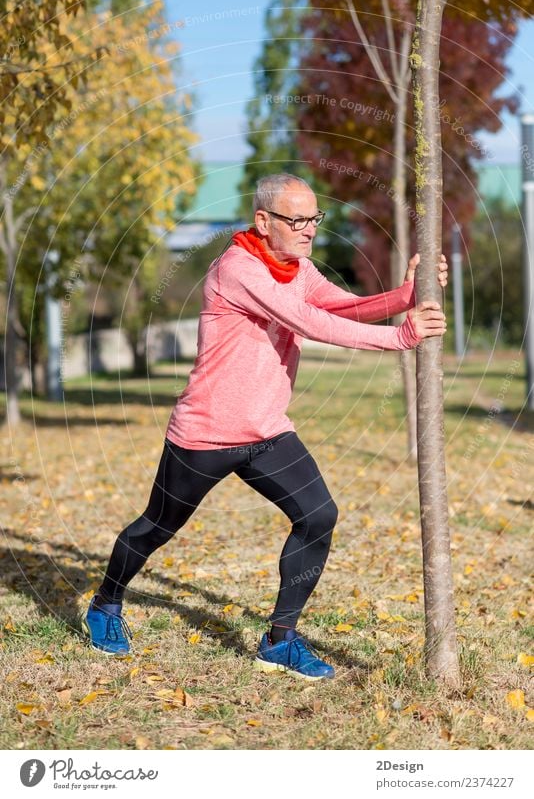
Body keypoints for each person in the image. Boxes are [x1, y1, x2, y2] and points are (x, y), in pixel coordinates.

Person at [83, 173, 447, 680]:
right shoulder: (237, 270)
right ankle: (105, 603)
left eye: (314, 219)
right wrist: (400, 338)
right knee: (156, 527)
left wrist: (406, 294)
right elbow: (309, 324)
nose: (309, 230)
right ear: (263, 221)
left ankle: (280, 640)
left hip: (268, 432)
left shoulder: (297, 268)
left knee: (319, 516)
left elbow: (339, 306)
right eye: (296, 220)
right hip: (206, 434)